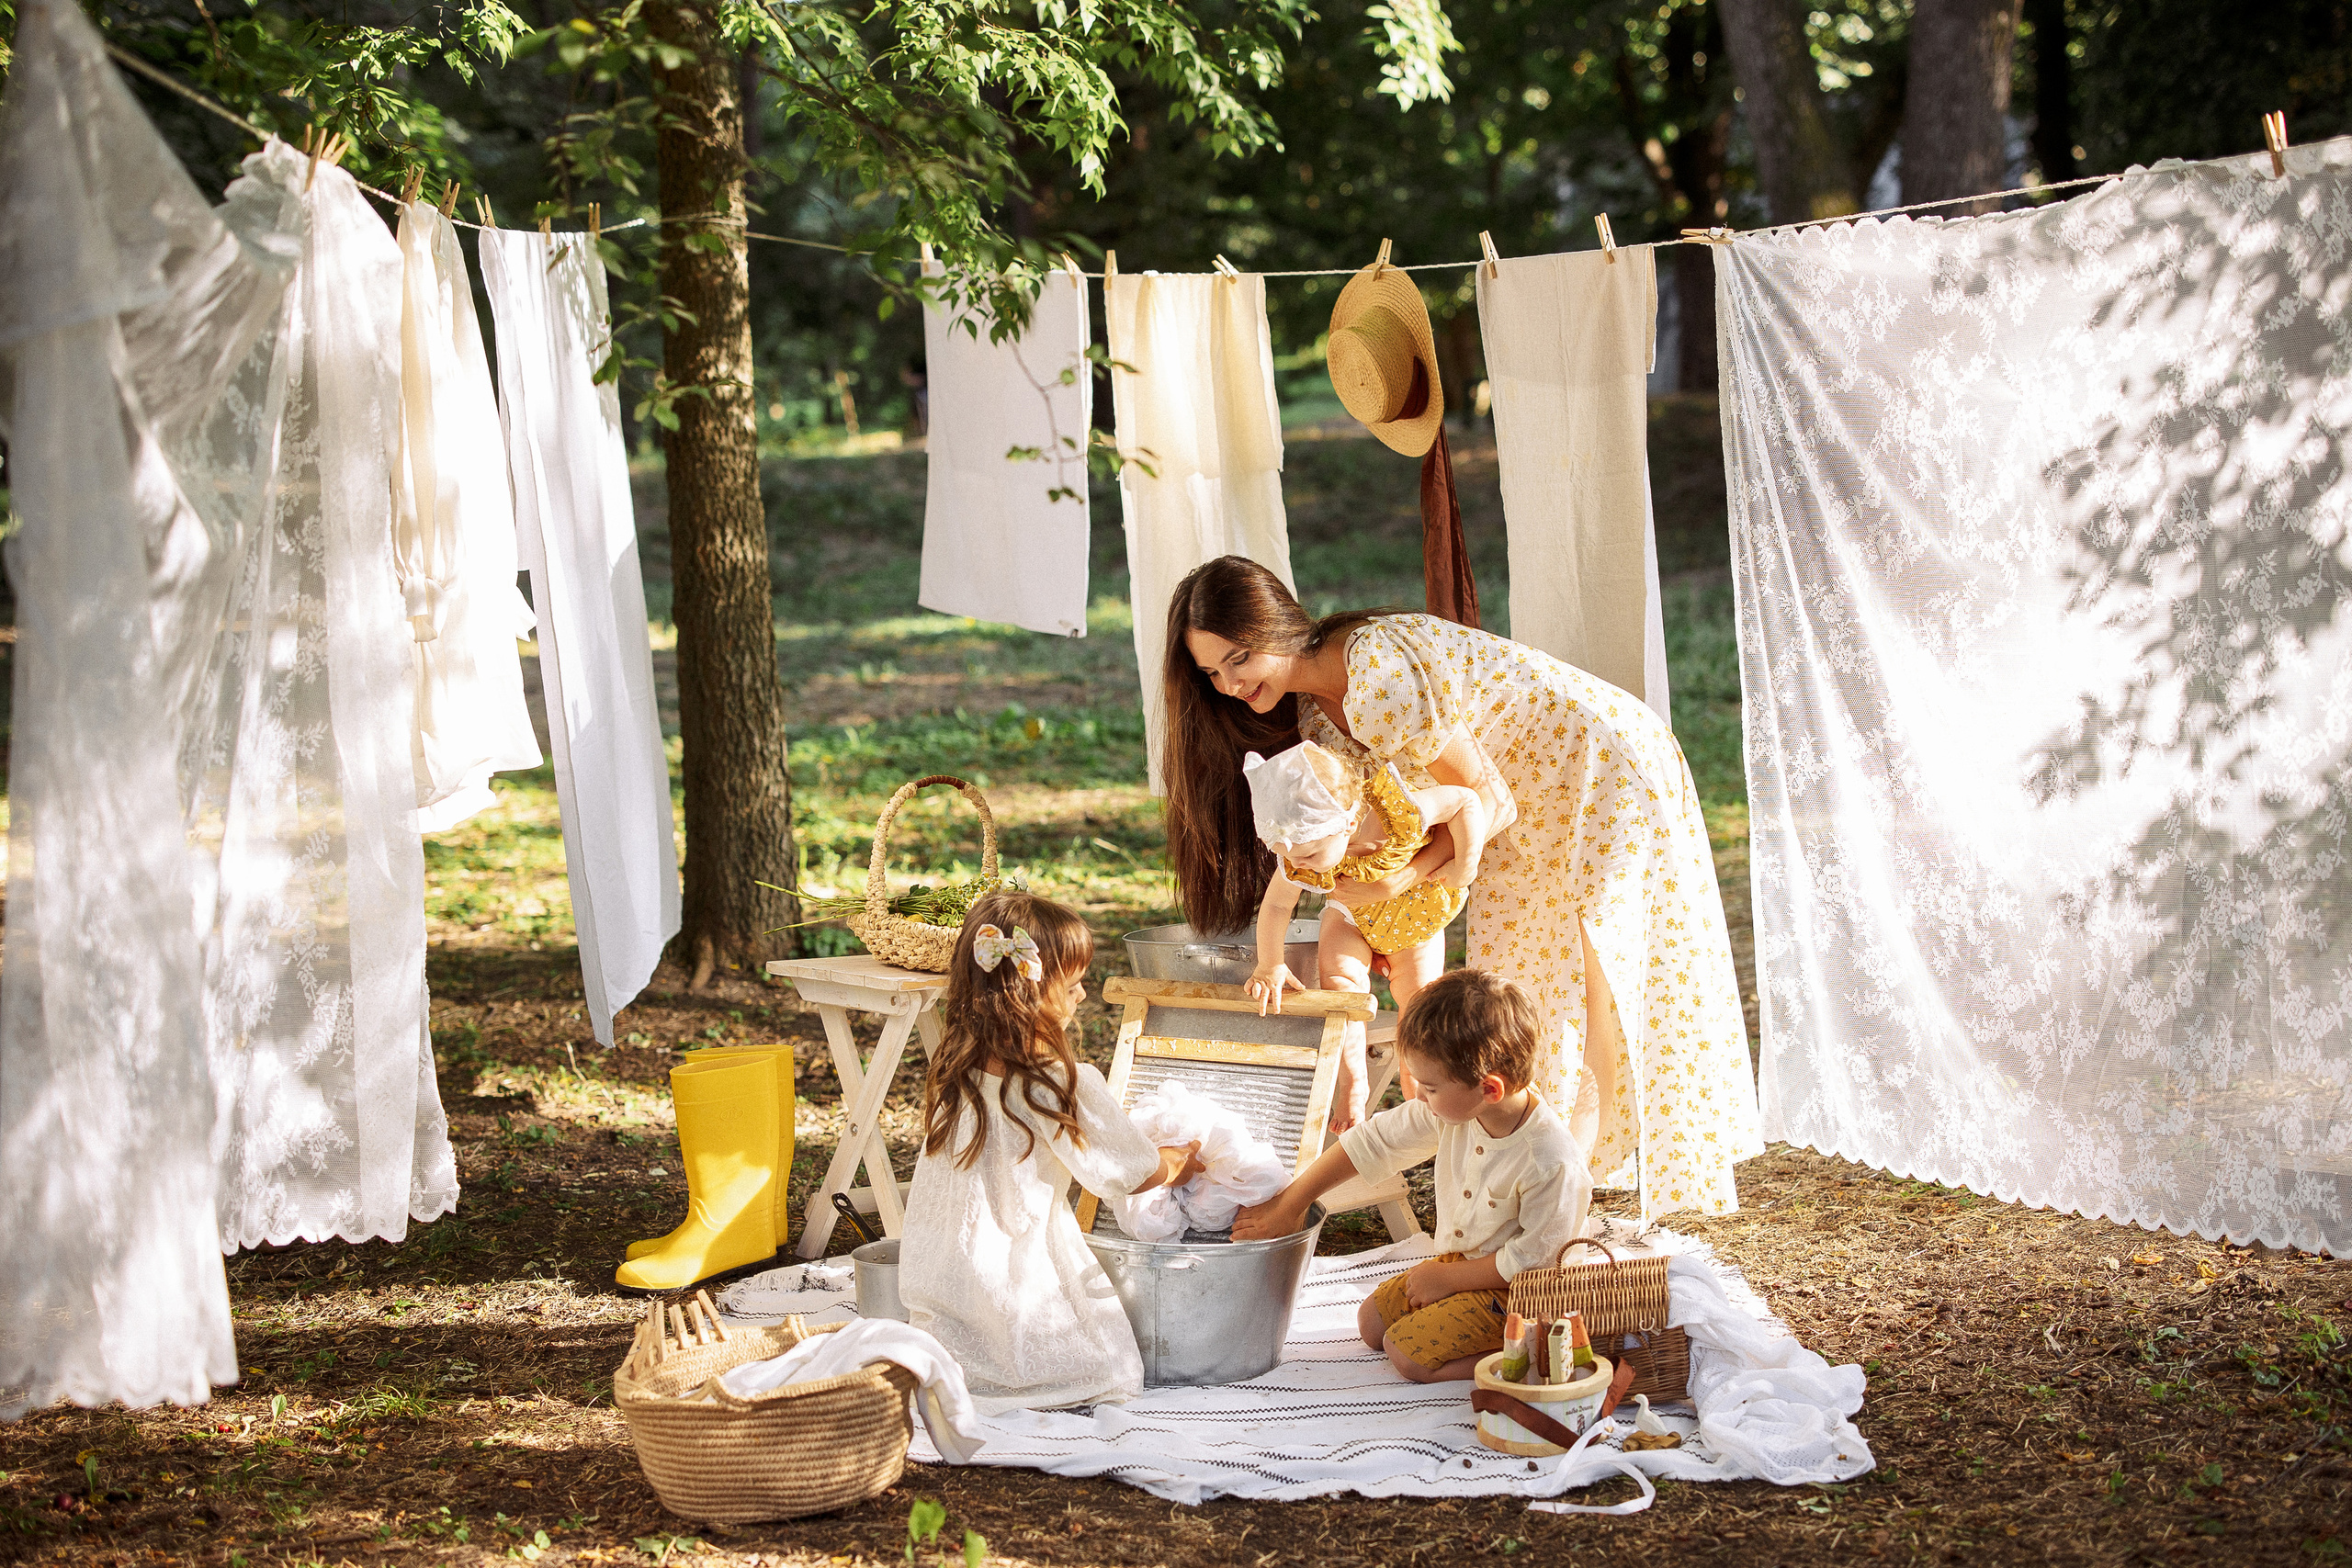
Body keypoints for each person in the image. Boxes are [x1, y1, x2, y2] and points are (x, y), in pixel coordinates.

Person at [1161, 554, 1760, 1219]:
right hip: (1523, 801)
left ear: (1276, 625)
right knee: (1527, 974)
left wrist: (1405, 881)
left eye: (1239, 658)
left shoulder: (1375, 677)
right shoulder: (1317, 718)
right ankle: (1550, 1177)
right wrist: (1390, 912)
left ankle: (1574, 1186)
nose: (1229, 683)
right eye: (1213, 672)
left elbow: (1487, 799)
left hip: (1590, 767)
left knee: (1598, 973)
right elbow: (1401, 814)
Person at [898, 892, 1205, 1415]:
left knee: (966, 1332)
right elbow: (1127, 1171)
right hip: (1014, 1261)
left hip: (942, 1270)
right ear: (1030, 992)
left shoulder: (955, 1066)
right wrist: (1182, 1158)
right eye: (1072, 984)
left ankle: (961, 1364)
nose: (1082, 995)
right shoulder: (1056, 1083)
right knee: (1106, 1365)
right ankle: (1023, 1376)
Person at [1231, 970, 1589, 1382]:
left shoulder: (1551, 1161)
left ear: (1490, 1089)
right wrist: (1291, 1204)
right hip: (1462, 1265)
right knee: (1371, 1325)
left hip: (1521, 1294)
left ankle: (1536, 1351)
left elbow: (1536, 1262)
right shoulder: (1458, 1110)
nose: (1419, 1095)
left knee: (1408, 1357)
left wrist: (1448, 1278)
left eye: (1431, 1087)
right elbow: (1374, 1142)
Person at [1241, 739, 1491, 1129]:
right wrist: (1270, 964)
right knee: (1339, 991)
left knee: (1418, 1001)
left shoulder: (1402, 811)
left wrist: (1466, 865)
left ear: (1349, 823)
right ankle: (1353, 1080)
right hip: (1351, 917)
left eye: (1305, 856)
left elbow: (1465, 801)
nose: (1296, 865)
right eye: (1287, 856)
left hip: (1414, 918)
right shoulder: (1300, 849)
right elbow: (1275, 906)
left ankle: (1418, 1078)